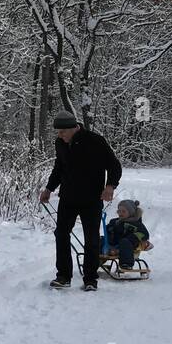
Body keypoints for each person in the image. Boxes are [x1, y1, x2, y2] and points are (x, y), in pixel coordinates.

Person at [39, 111, 122, 291]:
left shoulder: (95, 141)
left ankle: (90, 279)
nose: (59, 136)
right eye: (58, 133)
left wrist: (110, 186)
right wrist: (49, 188)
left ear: (74, 128)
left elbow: (114, 165)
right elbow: (59, 167)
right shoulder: (61, 143)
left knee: (91, 238)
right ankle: (63, 276)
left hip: (92, 198)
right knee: (61, 233)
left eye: (62, 132)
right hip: (68, 197)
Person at [106, 199, 150, 271]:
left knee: (125, 242)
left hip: (131, 246)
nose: (120, 213)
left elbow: (144, 234)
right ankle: (94, 260)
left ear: (131, 212)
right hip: (115, 244)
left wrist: (133, 237)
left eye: (123, 211)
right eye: (119, 211)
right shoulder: (115, 221)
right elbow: (109, 230)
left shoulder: (136, 223)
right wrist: (110, 229)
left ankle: (126, 263)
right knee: (100, 240)